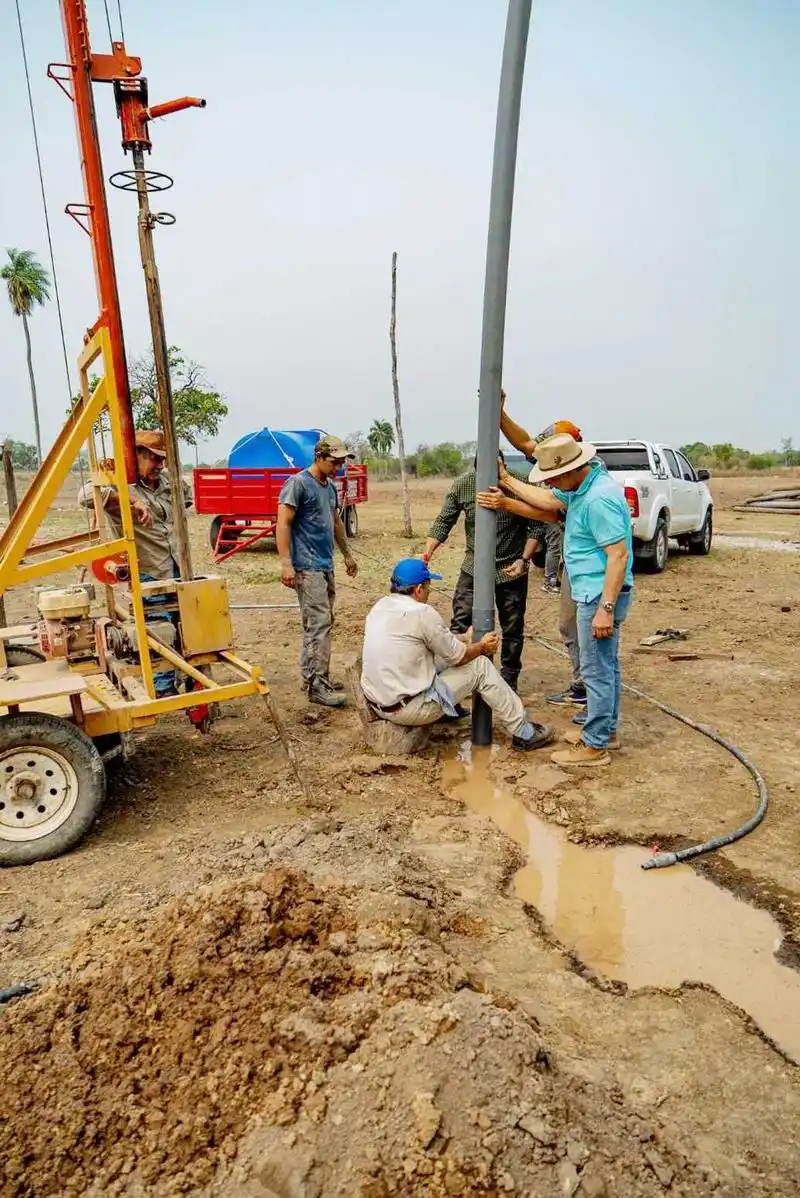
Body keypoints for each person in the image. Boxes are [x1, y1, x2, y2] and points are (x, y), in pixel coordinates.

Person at [477, 433, 633, 768]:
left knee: (596, 670)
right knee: (606, 667)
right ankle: (606, 731)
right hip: (591, 591)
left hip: (598, 595)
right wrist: (506, 482)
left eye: (553, 478)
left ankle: (594, 746)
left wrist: (605, 609)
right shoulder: (585, 487)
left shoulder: (597, 499)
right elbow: (548, 503)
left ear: (569, 471)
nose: (550, 484)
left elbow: (618, 556)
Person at [360, 558, 555, 751]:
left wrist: (463, 639)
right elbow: (457, 657)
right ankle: (524, 732)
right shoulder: (421, 613)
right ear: (418, 589)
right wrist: (482, 647)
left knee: (437, 657)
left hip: (379, 704)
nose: (429, 592)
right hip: (408, 709)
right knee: (480, 667)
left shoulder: (379, 607)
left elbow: (438, 644)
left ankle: (448, 710)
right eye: (428, 587)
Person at [78, 428, 192, 697]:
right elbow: (84, 495)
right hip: (148, 570)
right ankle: (164, 690)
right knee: (159, 629)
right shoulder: (119, 484)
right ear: (136, 455)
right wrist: (130, 500)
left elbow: (184, 500)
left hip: (178, 567)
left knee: (184, 627)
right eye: (154, 458)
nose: (159, 465)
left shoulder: (168, 482)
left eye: (162, 460)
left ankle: (190, 679)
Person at [422, 453, 543, 692]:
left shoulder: (520, 484)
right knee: (460, 623)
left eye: (498, 472)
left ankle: (508, 681)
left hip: (511, 567)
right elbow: (443, 522)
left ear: (504, 467)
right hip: (473, 566)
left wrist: (523, 559)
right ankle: (459, 680)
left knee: (512, 627)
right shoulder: (463, 485)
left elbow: (537, 526)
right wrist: (427, 554)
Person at [500, 402, 588, 711]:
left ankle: (589, 692)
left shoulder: (581, 483)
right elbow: (525, 443)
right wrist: (498, 413)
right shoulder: (569, 471)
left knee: (586, 630)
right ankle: (584, 686)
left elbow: (550, 504)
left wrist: (509, 487)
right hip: (576, 565)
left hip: (591, 572)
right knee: (570, 626)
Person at [276, 435, 358, 708]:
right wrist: (286, 563)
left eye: (341, 463)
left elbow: (335, 522)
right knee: (318, 625)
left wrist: (346, 555)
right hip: (307, 568)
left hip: (325, 565)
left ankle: (313, 676)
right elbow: (283, 523)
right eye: (334, 462)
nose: (338, 468)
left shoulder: (329, 487)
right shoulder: (298, 484)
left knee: (320, 623)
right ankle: (316, 686)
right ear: (320, 457)